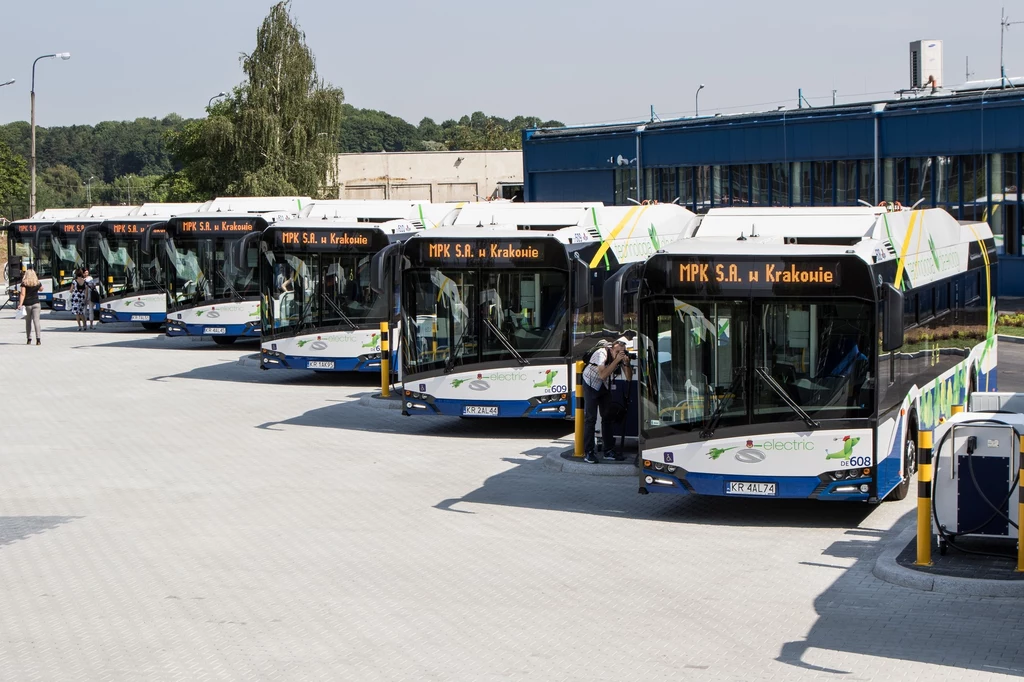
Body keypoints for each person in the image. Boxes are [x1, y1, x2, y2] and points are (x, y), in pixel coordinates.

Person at [581, 340, 634, 463]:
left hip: (603, 385)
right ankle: (588, 452)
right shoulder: (601, 353)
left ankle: (609, 450)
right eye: (617, 352)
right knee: (591, 418)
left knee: (607, 417)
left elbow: (629, 378)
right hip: (590, 383)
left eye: (622, 352)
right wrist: (616, 360)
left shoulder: (618, 357)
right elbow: (603, 375)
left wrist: (626, 363)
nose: (619, 354)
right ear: (611, 349)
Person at [17, 268, 43, 345]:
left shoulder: (24, 283)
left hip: (27, 304)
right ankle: (38, 339)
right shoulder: (37, 282)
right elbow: (41, 289)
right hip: (36, 303)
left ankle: (29, 338)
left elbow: (22, 294)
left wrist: (20, 304)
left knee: (28, 322)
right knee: (36, 321)